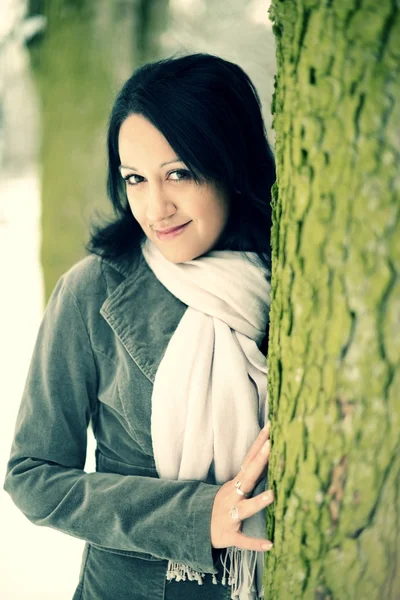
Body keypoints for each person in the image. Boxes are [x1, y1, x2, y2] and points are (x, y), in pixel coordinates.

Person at [3, 52, 276, 600]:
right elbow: (33, 476)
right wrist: (195, 517)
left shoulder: (291, 282)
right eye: (135, 178)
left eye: (179, 173)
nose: (155, 208)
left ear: (230, 161)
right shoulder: (93, 292)